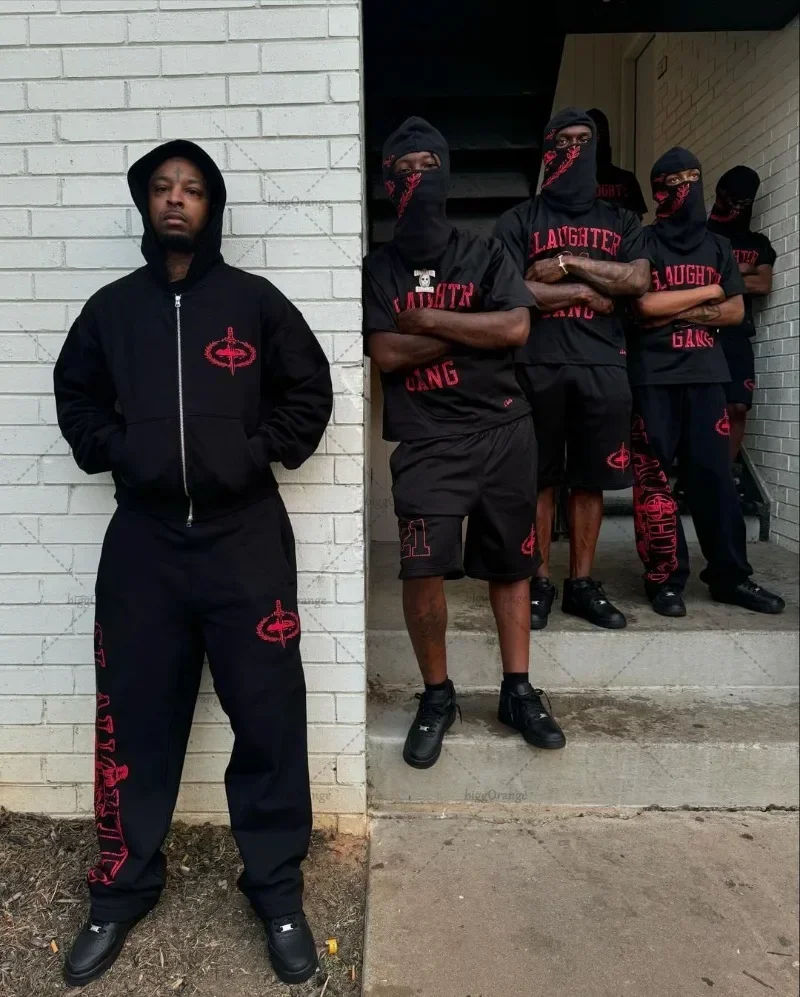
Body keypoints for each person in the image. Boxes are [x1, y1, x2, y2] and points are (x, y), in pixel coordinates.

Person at [53, 139, 332, 987]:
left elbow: (310, 392)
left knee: (269, 717)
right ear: (146, 203)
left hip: (244, 540)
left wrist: (251, 453)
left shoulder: (254, 302)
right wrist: (122, 451)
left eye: (194, 189)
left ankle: (277, 890)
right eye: (163, 187)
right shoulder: (110, 310)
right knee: (134, 719)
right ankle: (122, 888)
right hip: (143, 546)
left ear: (213, 208)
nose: (177, 199)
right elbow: (75, 398)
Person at [363, 116, 566, 769]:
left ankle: (517, 689)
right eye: (404, 170)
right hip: (426, 438)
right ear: (387, 182)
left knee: (512, 566)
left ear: (446, 174)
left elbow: (514, 328)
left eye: (428, 166)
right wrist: (468, 327)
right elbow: (387, 352)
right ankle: (438, 695)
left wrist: (429, 319)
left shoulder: (485, 252)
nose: (417, 179)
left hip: (504, 430)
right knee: (421, 568)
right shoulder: (379, 267)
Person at [493, 107, 651, 631]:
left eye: (585, 140)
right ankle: (538, 581)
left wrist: (568, 265)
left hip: (603, 364)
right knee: (538, 479)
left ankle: (581, 584)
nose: (575, 149)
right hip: (534, 364)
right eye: (564, 141)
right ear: (547, 149)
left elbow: (636, 281)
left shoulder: (621, 220)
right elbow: (513, 291)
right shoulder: (519, 220)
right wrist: (587, 292)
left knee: (590, 480)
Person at [627, 147, 785, 618]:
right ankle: (664, 580)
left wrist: (680, 308)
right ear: (658, 190)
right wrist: (710, 291)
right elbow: (643, 306)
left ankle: (730, 577)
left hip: (707, 377)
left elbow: (734, 311)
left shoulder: (717, 245)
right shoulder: (643, 241)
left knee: (716, 481)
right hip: (653, 378)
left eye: (692, 178)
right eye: (674, 181)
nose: (685, 188)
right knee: (654, 484)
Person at [707, 165, 776, 462]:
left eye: (743, 202)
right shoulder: (702, 236)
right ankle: (696, 470)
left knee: (737, 407)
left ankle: (726, 471)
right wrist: (742, 271)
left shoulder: (757, 243)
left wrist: (725, 276)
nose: (736, 207)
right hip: (704, 329)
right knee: (704, 405)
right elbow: (699, 281)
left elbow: (763, 284)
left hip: (737, 333)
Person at [587, 108, 648, 219]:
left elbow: (635, 222)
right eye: (591, 134)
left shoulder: (627, 179)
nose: (597, 138)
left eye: (600, 131)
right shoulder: (571, 181)